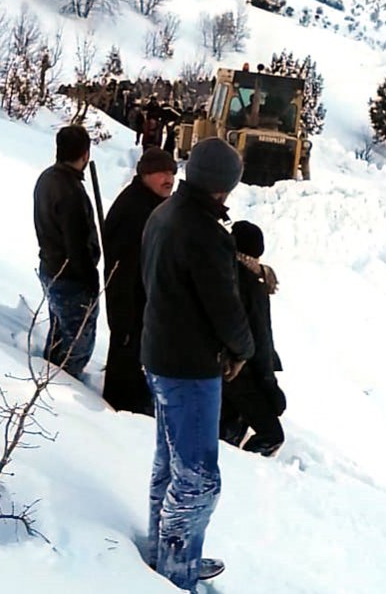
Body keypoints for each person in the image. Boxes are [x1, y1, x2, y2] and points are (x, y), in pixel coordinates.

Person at [141, 137, 255, 593]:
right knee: (198, 479)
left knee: (170, 464)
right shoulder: (205, 235)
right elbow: (225, 310)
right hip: (188, 368)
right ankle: (177, 571)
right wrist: (243, 349)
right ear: (224, 187)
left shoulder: (163, 213)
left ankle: (162, 553)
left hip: (160, 356)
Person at [102, 147, 177, 414]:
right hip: (131, 307)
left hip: (142, 308)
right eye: (161, 173)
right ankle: (118, 418)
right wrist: (125, 318)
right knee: (125, 364)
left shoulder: (150, 204)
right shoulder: (136, 211)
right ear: (145, 174)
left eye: (172, 173)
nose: (168, 179)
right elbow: (123, 271)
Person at [33, 125, 101, 376]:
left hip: (51, 269)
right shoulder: (70, 191)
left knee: (60, 336)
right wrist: (90, 281)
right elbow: (77, 244)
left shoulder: (47, 179)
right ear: (85, 154)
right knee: (76, 348)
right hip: (71, 278)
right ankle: (61, 397)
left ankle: (47, 379)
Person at [220, 220, 286, 456]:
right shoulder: (250, 284)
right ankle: (244, 468)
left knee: (225, 430)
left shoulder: (229, 273)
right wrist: (269, 385)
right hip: (242, 372)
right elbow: (260, 338)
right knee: (272, 434)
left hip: (228, 368)